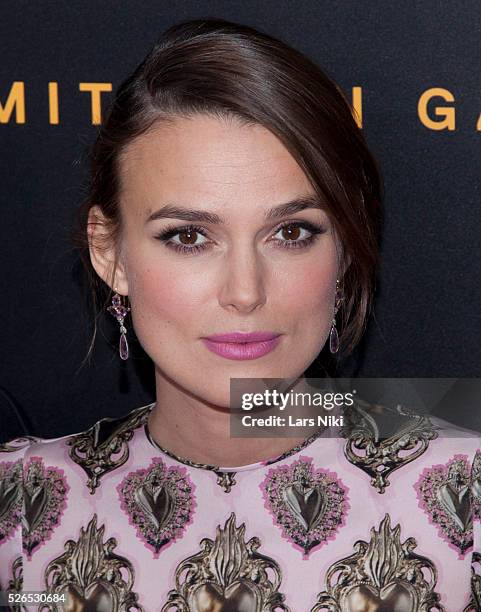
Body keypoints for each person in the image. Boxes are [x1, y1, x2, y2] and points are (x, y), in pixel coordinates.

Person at [1, 18, 480, 611]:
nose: (246, 291)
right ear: (110, 252)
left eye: (291, 231)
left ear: (345, 251)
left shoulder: (467, 495)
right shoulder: (23, 503)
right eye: (188, 237)